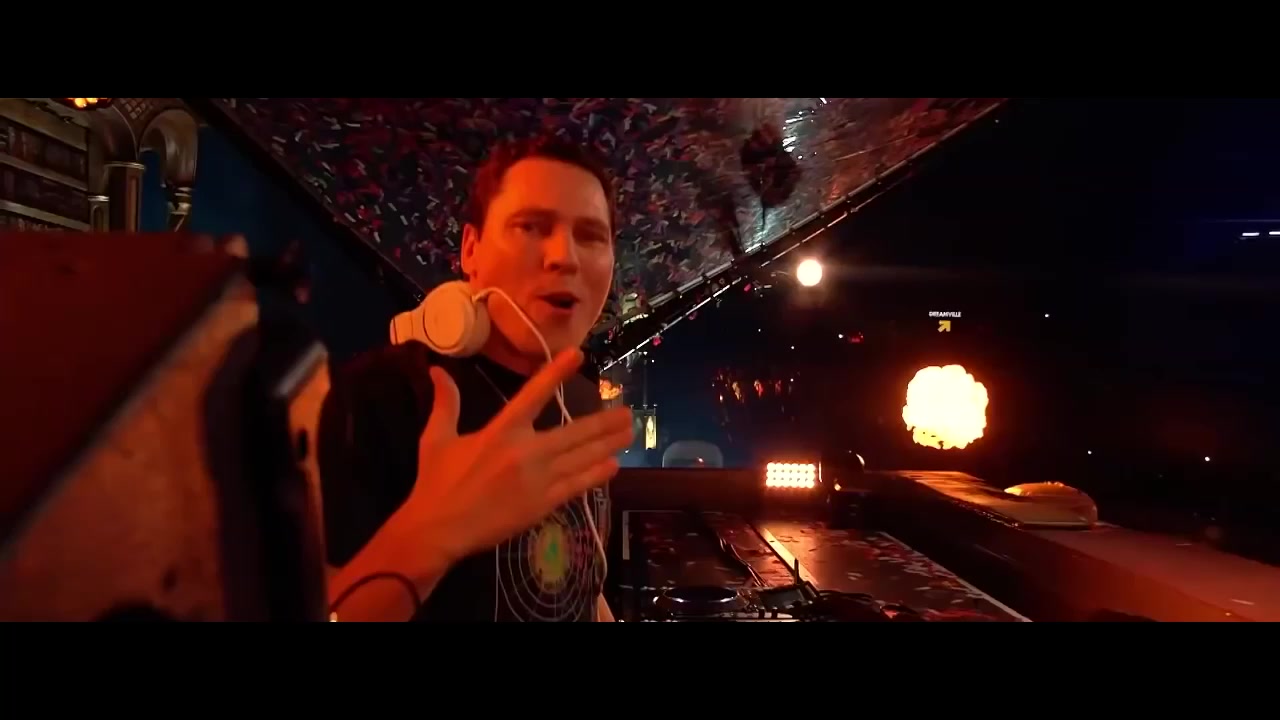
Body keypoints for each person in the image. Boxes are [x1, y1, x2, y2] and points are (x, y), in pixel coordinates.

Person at [318, 136, 634, 621]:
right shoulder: (382, 395)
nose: (565, 257)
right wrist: (433, 532)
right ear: (471, 250)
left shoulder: (583, 400)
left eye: (591, 236)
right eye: (531, 226)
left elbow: (581, 590)